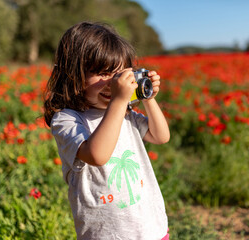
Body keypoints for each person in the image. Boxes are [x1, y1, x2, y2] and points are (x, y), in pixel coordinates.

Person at [43, 22, 170, 240]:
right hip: (106, 234)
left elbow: (161, 136)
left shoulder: (126, 114)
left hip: (150, 227)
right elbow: (97, 155)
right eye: (102, 73)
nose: (113, 83)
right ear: (74, 75)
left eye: (119, 74)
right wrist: (120, 101)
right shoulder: (68, 119)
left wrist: (147, 97)